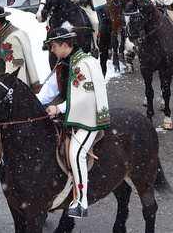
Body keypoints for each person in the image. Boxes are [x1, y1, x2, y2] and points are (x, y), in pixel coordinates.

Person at [37, 27, 110, 219]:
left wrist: (58, 108)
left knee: (76, 152)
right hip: (69, 116)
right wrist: (33, 103)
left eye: (53, 46)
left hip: (88, 117)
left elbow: (84, 98)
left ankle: (81, 201)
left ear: (63, 45)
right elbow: (49, 91)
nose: (51, 50)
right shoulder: (63, 64)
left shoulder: (84, 63)